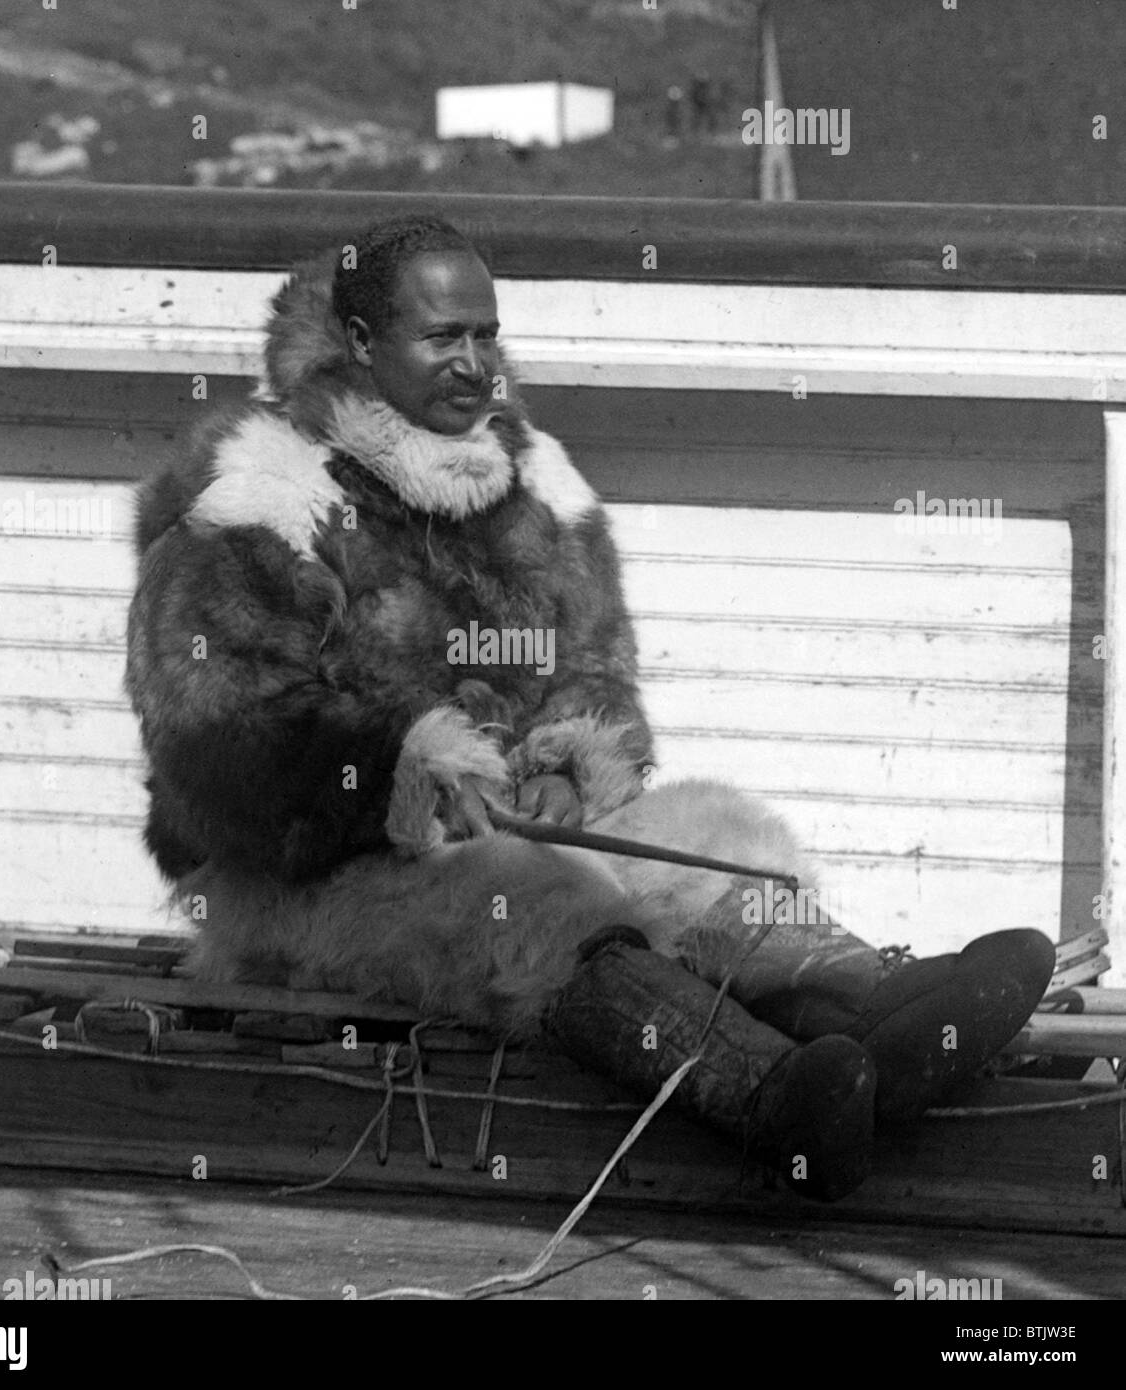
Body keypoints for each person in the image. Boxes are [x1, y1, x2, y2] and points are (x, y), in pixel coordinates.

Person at [125, 215, 1055, 1202]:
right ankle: (768, 1095)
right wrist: (402, 771)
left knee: (717, 839)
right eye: (443, 337)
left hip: (512, 834)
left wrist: (572, 760)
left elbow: (598, 668)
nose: (473, 361)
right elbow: (209, 738)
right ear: (359, 343)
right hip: (310, 880)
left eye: (484, 333)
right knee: (538, 899)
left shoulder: (535, 481)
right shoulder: (261, 493)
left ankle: (879, 1015)